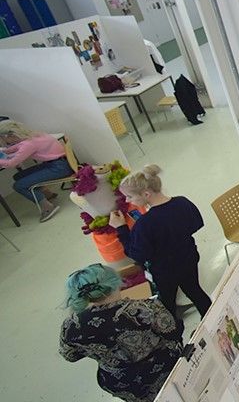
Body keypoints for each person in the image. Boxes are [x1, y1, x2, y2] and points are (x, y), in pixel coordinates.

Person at [59, 264, 183, 402]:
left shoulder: (70, 326)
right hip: (161, 368)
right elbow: (172, 332)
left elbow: (70, 355)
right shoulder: (144, 309)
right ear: (115, 284)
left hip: (121, 382)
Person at [112, 165, 213, 320]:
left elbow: (137, 254)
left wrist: (121, 229)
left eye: (130, 197)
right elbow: (196, 223)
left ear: (146, 194)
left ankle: (175, 337)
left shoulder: (145, 224)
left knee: (167, 305)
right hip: (188, 259)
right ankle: (213, 322)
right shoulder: (182, 202)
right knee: (195, 291)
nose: (127, 200)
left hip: (165, 272)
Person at [0, 120, 68, 222]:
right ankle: (47, 194)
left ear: (7, 136)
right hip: (60, 163)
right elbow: (16, 147)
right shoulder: (34, 135)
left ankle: (47, 207)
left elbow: (11, 163)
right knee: (18, 176)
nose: (6, 143)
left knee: (18, 185)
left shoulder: (28, 144)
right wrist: (4, 150)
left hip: (58, 168)